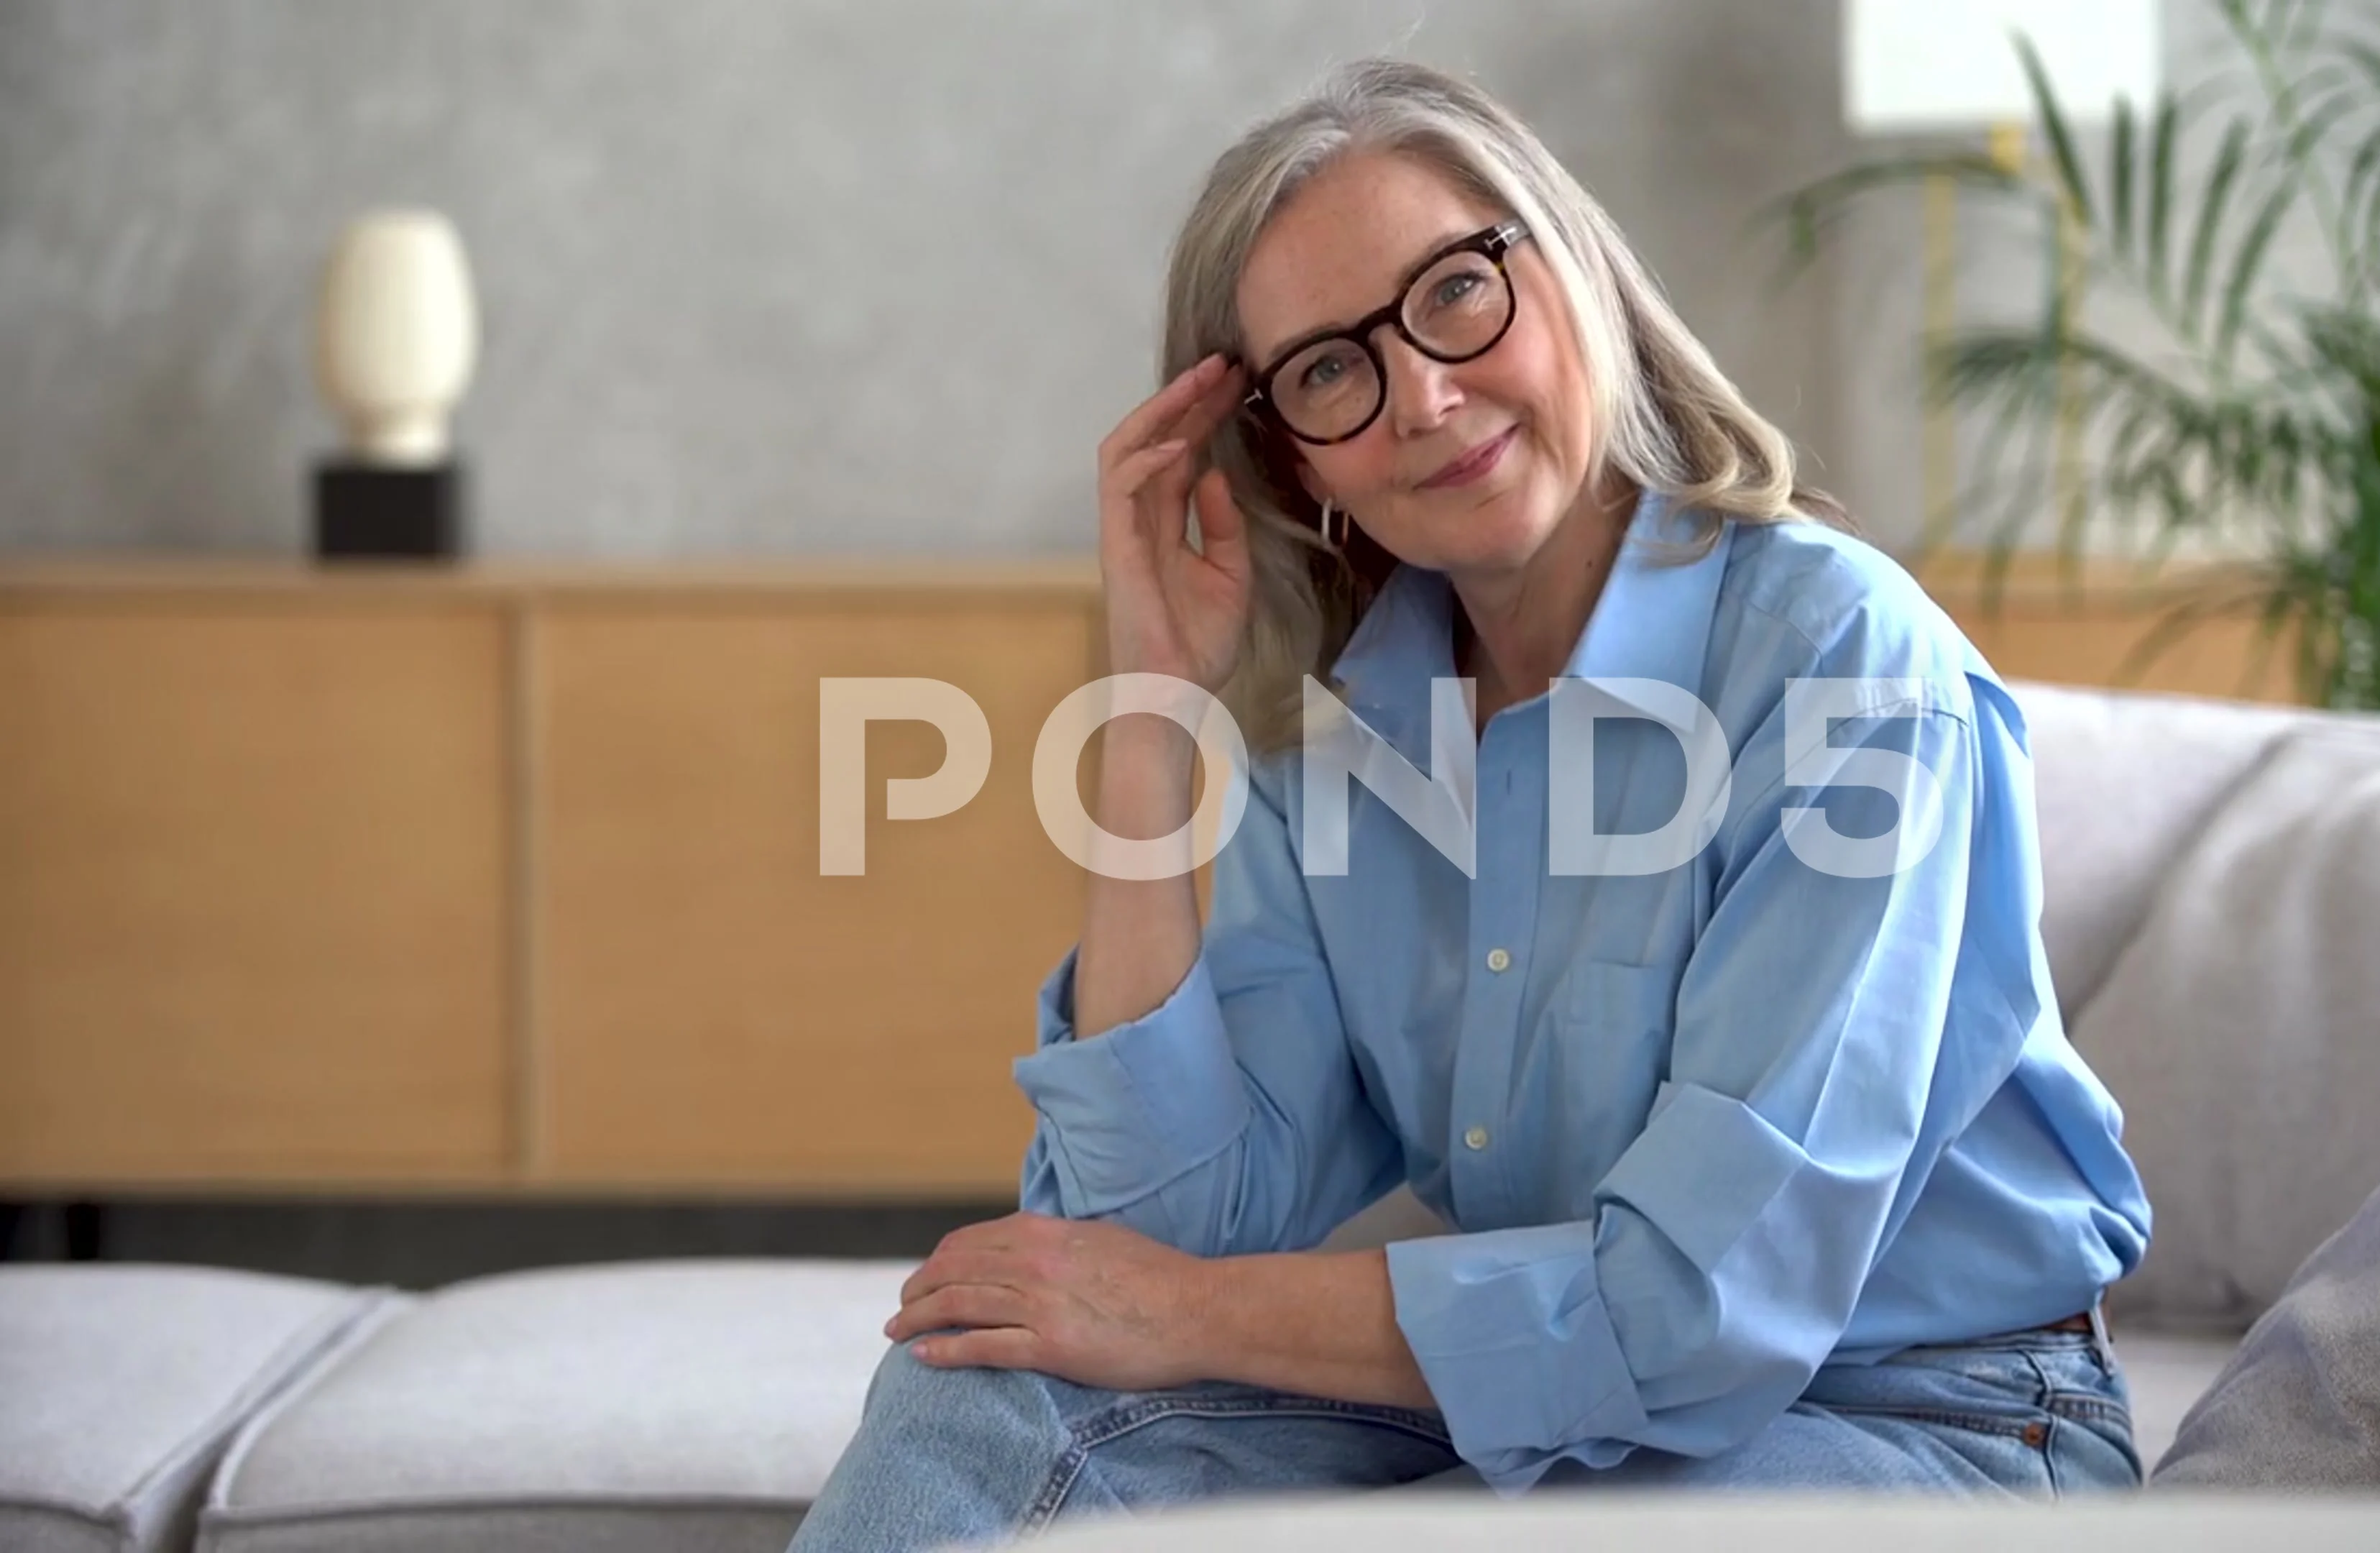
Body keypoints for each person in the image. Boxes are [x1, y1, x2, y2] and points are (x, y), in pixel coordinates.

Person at [789, 57, 2152, 1551]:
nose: (1424, 399)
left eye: (1454, 292)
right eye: (1328, 371)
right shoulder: (1348, 739)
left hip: (1929, 1417)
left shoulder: (1846, 670)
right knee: (984, 1404)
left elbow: (1701, 1313)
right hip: (1575, 1414)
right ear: (1289, 460)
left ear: (1571, 271)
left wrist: (1176, 1311)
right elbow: (1135, 1249)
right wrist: (1154, 706)